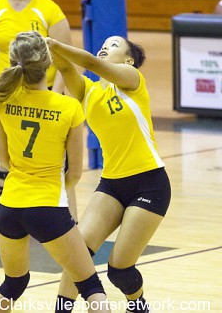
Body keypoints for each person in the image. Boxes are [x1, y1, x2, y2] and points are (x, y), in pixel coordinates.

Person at [0, 31, 110, 313]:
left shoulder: (2, 102)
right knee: (90, 286)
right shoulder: (68, 107)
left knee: (13, 284)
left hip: (10, 207)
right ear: (48, 63)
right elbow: (75, 171)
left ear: (14, 64)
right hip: (48, 205)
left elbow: (3, 161)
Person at [47, 36, 171, 313]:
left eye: (114, 45)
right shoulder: (89, 91)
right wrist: (46, 49)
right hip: (112, 184)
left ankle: (137, 304)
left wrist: (52, 42)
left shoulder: (131, 77)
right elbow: (66, 68)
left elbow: (89, 62)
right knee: (77, 254)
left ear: (129, 59)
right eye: (103, 44)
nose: (105, 47)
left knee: (119, 270)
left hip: (150, 184)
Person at [0, 0, 75, 248]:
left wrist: (55, 92)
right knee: (4, 160)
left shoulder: (49, 10)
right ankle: (11, 224)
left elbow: (66, 57)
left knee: (52, 159)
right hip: (7, 99)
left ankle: (63, 221)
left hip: (42, 97)